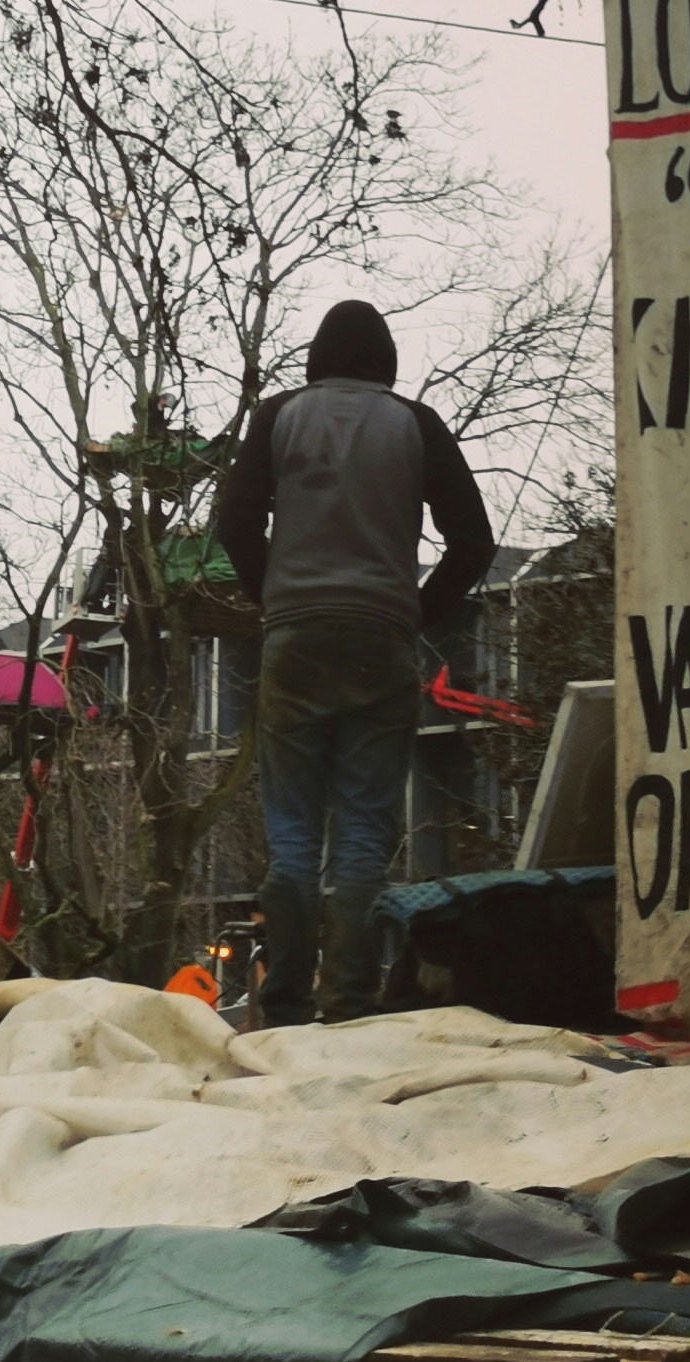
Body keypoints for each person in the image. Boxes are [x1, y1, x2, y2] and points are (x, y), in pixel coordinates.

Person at [212, 299, 495, 1026]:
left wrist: (272, 594)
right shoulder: (415, 423)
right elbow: (473, 538)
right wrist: (419, 611)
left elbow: (236, 518)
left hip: (296, 638)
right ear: (387, 364)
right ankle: (349, 1005)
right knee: (365, 831)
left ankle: (282, 1005)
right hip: (382, 641)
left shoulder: (278, 416)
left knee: (295, 833)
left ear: (316, 361)